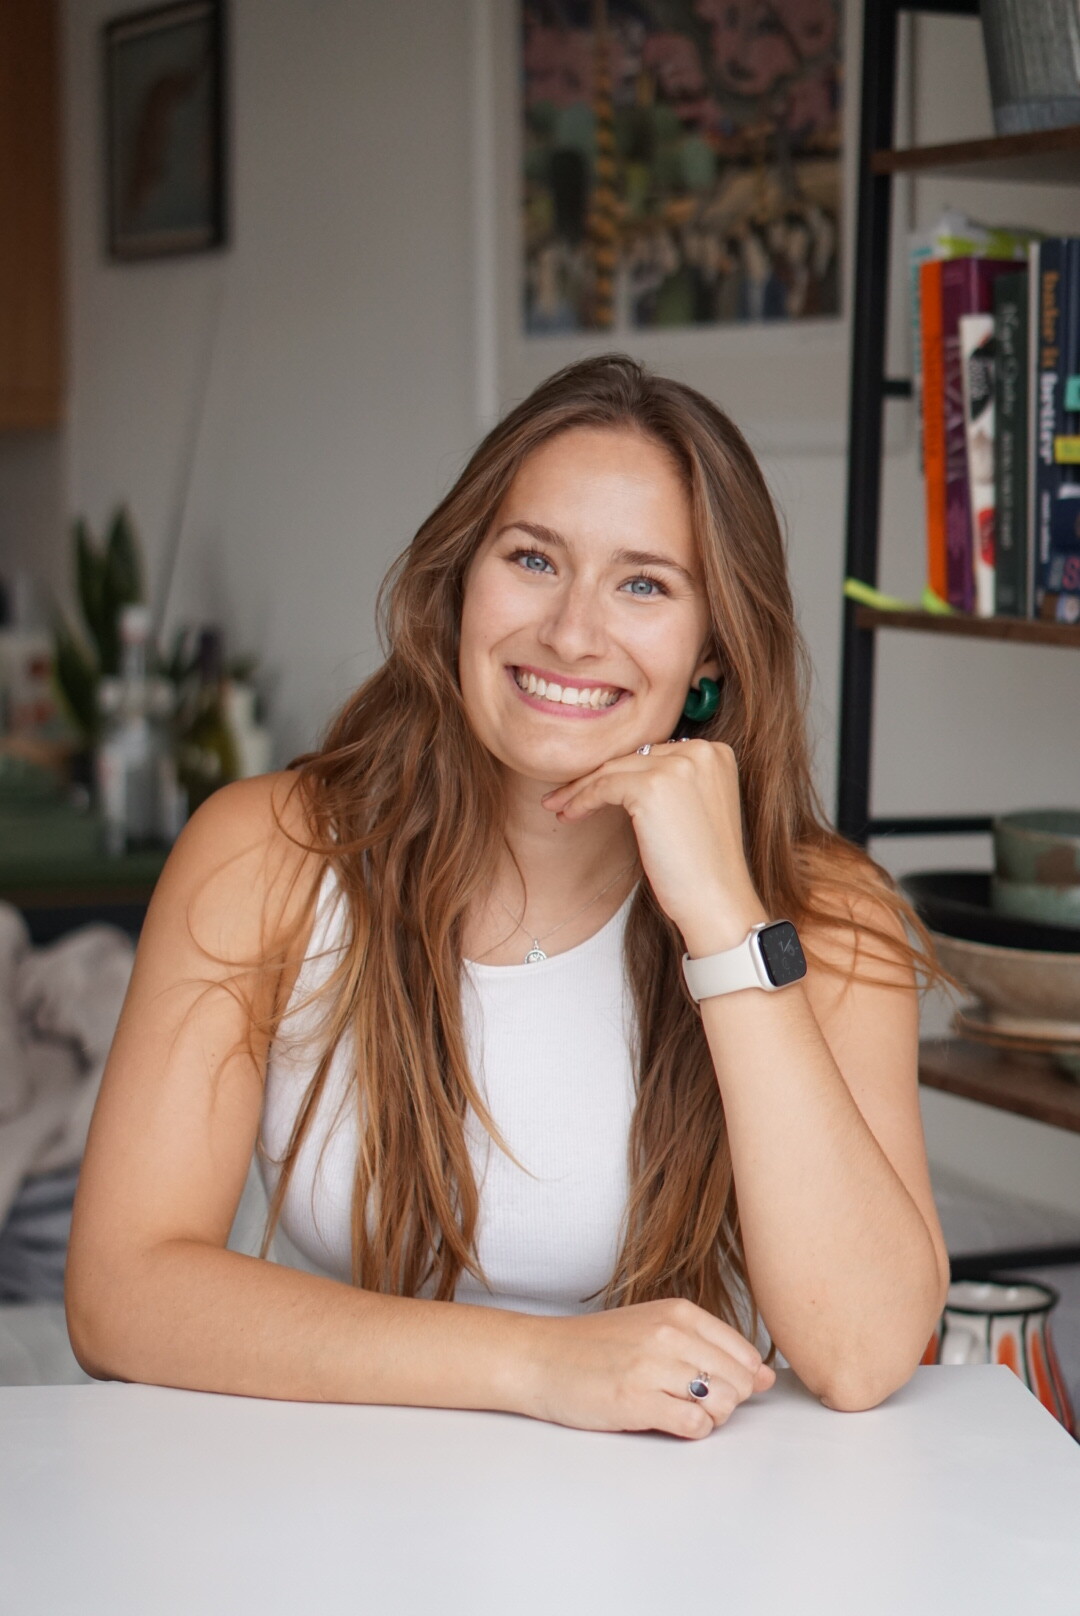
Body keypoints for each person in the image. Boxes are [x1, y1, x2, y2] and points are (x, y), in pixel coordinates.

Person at [66, 355, 951, 1441]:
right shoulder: (271, 851)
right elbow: (122, 1291)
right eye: (533, 558)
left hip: (675, 1529)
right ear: (460, 582)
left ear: (711, 648)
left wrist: (725, 922)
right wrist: (538, 1363)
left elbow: (864, 1351)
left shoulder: (824, 911)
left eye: (644, 583)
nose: (572, 632)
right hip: (333, 1497)